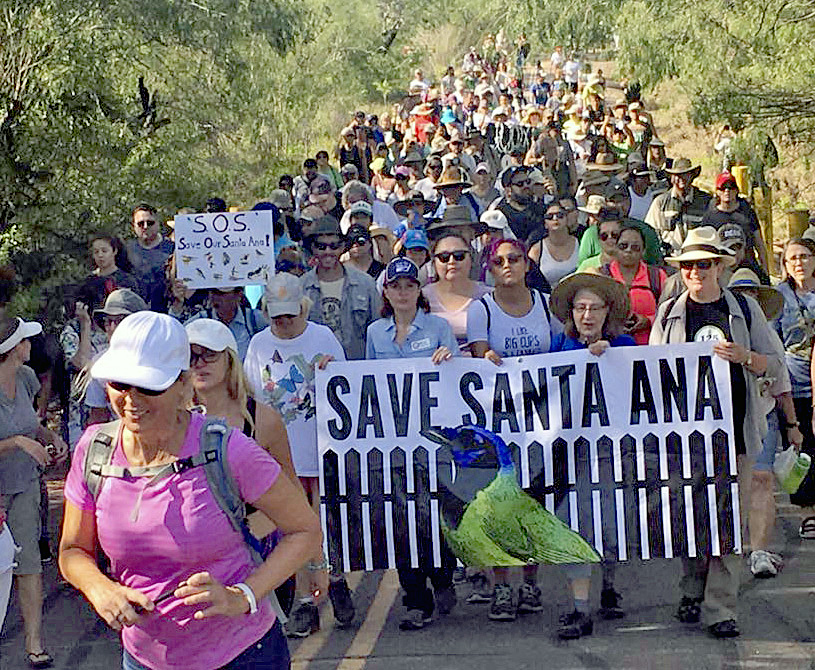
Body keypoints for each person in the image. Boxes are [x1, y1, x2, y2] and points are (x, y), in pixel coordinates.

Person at [59, 311, 321, 669]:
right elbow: (73, 550)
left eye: (149, 386)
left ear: (184, 385)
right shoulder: (94, 450)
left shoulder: (227, 449)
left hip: (243, 655)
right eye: (119, 384)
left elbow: (305, 530)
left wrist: (242, 595)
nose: (132, 400)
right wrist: (99, 588)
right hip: (142, 659)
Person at [650, 226, 782, 638]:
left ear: (720, 267)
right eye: (689, 265)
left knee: (731, 520)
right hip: (687, 438)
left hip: (737, 433)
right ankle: (692, 589)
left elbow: (774, 365)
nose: (696, 272)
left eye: (704, 264)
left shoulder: (743, 311)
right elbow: (653, 373)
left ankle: (721, 607)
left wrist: (744, 356)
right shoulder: (670, 312)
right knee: (689, 518)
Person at [244, 273, 354, 638]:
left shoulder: (323, 337)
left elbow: (347, 390)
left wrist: (332, 373)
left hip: (320, 448)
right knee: (294, 530)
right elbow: (252, 399)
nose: (284, 323)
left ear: (303, 308)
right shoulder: (259, 345)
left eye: (290, 315)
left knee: (324, 525)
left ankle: (334, 579)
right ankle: (307, 599)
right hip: (279, 455)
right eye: (277, 316)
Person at [466, 238, 561, 621]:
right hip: (498, 420)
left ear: (526, 264)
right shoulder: (482, 308)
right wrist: (487, 356)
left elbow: (561, 348)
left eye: (515, 259)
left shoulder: (544, 303)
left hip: (540, 420)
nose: (508, 266)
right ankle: (502, 585)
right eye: (499, 260)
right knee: (501, 502)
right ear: (489, 267)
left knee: (534, 501)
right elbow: (478, 353)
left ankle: (530, 584)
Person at [365, 258, 457, 629]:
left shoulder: (437, 327)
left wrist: (448, 358)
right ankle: (415, 599)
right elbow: (366, 381)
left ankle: (444, 578)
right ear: (385, 291)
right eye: (395, 285)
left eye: (409, 285)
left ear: (419, 291)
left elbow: (459, 375)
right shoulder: (375, 332)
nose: (403, 292)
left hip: (433, 442)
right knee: (402, 521)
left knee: (437, 517)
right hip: (394, 444)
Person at [548, 273, 634, 639]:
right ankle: (580, 609)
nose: (587, 315)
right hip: (572, 455)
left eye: (594, 308)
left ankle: (609, 583)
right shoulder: (559, 346)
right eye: (580, 307)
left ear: (607, 312)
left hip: (613, 452)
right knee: (574, 524)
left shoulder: (626, 344)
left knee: (613, 523)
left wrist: (608, 357)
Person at [0, 316, 69, 668]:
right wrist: (16, 443)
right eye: (25, 340)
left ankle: (34, 644)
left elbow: (31, 424)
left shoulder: (26, 379)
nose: (31, 345)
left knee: (29, 566)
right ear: (14, 349)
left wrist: (49, 437)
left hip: (25, 487)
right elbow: (18, 436)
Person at [727, 270, 796, 578]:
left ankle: (759, 551)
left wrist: (792, 423)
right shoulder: (718, 331)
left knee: (762, 479)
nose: (747, 297)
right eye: (740, 291)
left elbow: (782, 382)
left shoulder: (769, 336)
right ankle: (727, 549)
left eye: (752, 292)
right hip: (724, 415)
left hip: (763, 411)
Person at [774, 238, 815, 536]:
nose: (799, 262)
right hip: (794, 384)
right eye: (792, 259)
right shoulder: (780, 297)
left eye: (804, 256)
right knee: (801, 448)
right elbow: (774, 342)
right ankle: (808, 512)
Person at [301, 216, 381, 360]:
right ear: (312, 248)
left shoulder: (366, 284)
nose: (328, 251)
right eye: (321, 246)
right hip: (315, 370)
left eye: (334, 246)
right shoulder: (301, 287)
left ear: (343, 247)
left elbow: (377, 329)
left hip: (357, 367)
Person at [85, 289, 149, 426]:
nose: (112, 327)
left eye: (120, 321)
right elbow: (98, 417)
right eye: (108, 321)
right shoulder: (99, 365)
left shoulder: (160, 358)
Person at [596, 222, 667, 345]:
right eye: (623, 246)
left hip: (650, 350)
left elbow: (669, 312)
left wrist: (648, 320)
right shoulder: (601, 276)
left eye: (635, 247)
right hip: (610, 349)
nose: (628, 250)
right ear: (615, 248)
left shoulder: (657, 276)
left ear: (643, 251)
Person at [423, 233, 490, 354]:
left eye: (459, 256)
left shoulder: (489, 297)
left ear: (471, 259)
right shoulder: (420, 297)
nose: (451, 261)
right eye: (444, 257)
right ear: (434, 263)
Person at [702, 171, 769, 272]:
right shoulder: (710, 217)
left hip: (748, 268)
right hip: (722, 271)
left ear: (737, 190)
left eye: (731, 187)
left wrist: (765, 270)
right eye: (723, 188)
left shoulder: (747, 212)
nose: (727, 191)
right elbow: (705, 248)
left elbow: (759, 243)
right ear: (717, 191)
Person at [645, 158, 712, 254]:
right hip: (669, 258)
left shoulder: (705, 201)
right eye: (677, 175)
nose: (681, 178)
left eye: (685, 174)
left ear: (692, 176)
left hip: (697, 258)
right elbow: (650, 232)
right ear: (671, 178)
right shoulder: (660, 202)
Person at [186, 288, 266, 362]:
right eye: (213, 292)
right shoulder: (200, 321)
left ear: (239, 295)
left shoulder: (255, 319)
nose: (215, 297)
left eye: (221, 293)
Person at [125, 204, 174, 297]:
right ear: (133, 226)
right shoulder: (127, 249)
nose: (145, 226)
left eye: (150, 222)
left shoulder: (172, 249)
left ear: (158, 223)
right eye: (140, 223)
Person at [528, 200, 580, 286]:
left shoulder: (580, 242)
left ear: (567, 219)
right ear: (545, 224)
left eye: (560, 215)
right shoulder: (536, 250)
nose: (555, 219)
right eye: (549, 217)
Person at [83, 235, 141, 307]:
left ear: (114, 251)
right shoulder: (88, 281)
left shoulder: (127, 280)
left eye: (104, 251)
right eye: (96, 252)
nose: (100, 255)